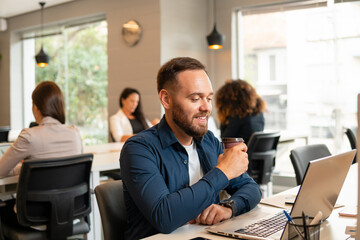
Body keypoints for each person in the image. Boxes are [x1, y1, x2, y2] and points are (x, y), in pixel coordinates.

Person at [120, 57, 262, 239]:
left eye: (208, 98)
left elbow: (251, 188)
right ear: (166, 99)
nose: (206, 107)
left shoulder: (209, 141)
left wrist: (229, 208)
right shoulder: (139, 149)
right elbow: (165, 217)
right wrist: (223, 172)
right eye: (195, 98)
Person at [0, 81, 83, 228]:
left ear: (36, 107)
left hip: (34, 216)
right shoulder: (74, 133)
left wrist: (23, 169)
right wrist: (27, 168)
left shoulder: (29, 136)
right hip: (71, 213)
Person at [215, 79, 266, 144]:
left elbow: (224, 141)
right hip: (253, 153)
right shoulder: (259, 114)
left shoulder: (237, 117)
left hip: (240, 153)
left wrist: (224, 119)